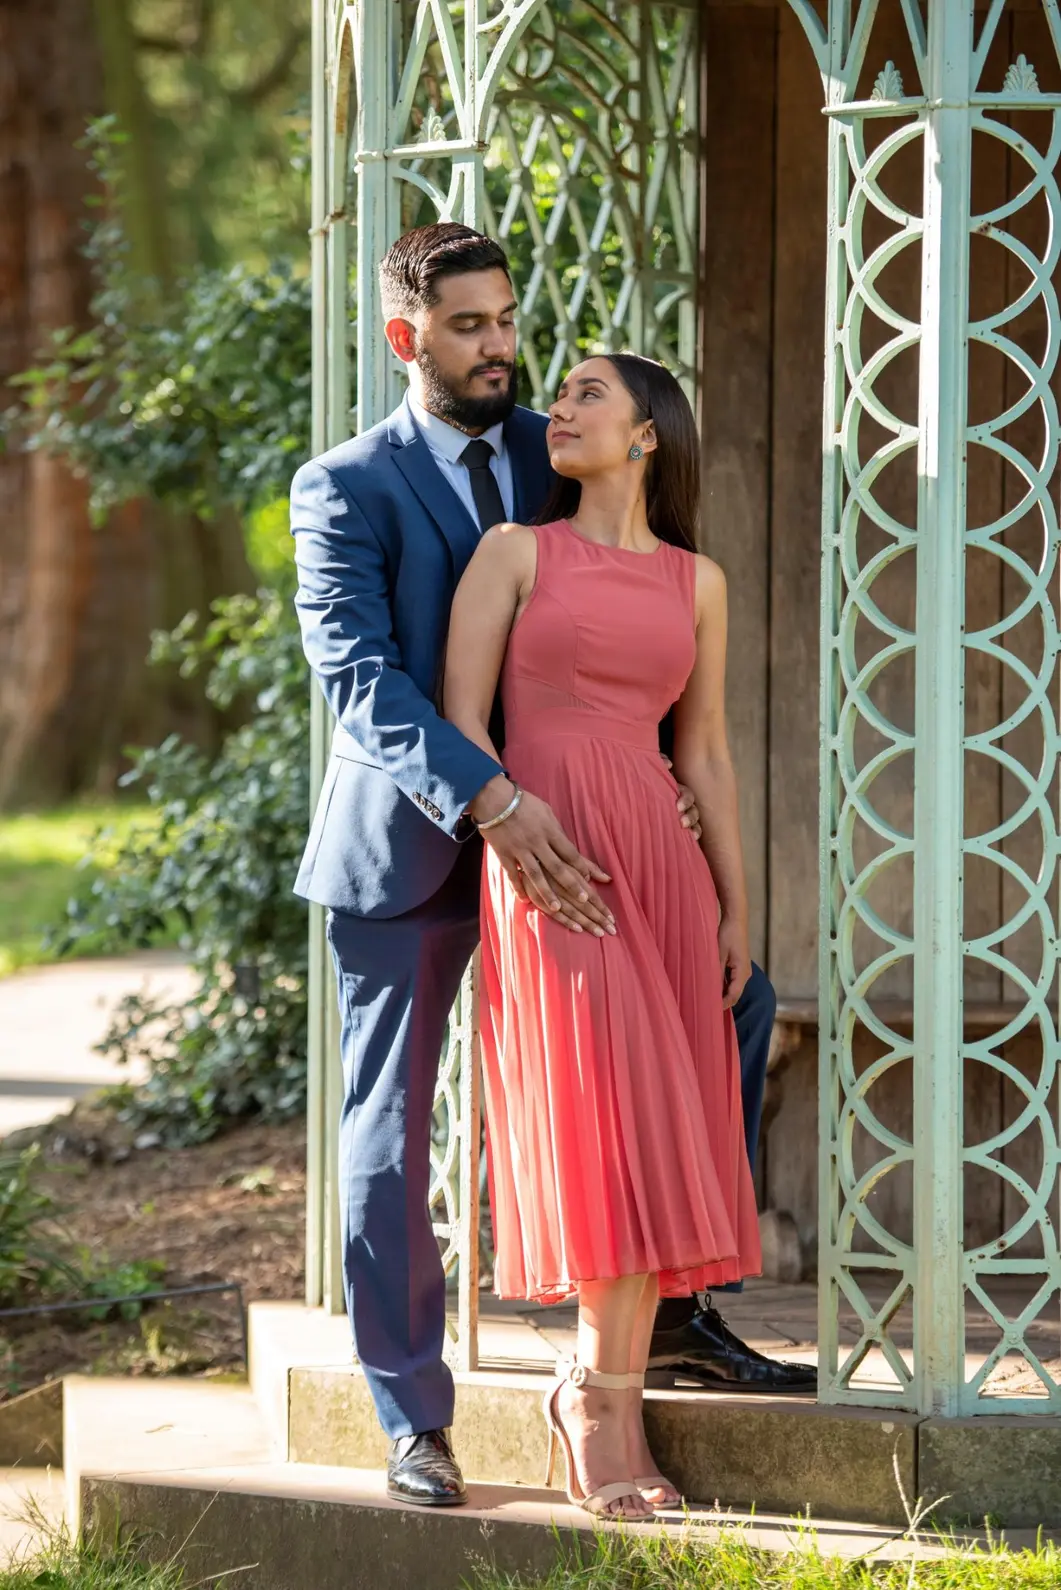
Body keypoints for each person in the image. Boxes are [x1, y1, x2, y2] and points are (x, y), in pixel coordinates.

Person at [289, 222, 810, 1513]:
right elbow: (362, 680)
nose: (501, 349)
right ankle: (413, 1413)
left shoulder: (553, 446)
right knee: (390, 1134)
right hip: (412, 841)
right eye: (469, 327)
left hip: (581, 840)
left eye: (508, 320)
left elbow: (631, 614)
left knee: (732, 1004)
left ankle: (671, 1305)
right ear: (410, 337)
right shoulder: (344, 483)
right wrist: (495, 799)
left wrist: (643, 808)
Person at [443, 352, 762, 1518]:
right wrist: (509, 838)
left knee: (649, 1133)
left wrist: (734, 904)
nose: (557, 408)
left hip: (662, 876)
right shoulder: (514, 552)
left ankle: (606, 1398)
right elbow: (461, 722)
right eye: (559, 392)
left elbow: (706, 751)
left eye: (586, 394)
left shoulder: (696, 582)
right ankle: (591, 1406)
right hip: (550, 865)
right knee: (599, 1130)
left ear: (645, 438)